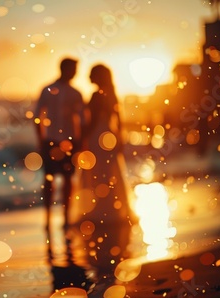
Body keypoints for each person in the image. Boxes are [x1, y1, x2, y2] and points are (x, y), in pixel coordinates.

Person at [77, 64, 133, 280]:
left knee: (98, 175)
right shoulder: (112, 93)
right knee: (109, 174)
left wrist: (82, 139)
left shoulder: (95, 95)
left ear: (98, 77)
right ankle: (112, 209)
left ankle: (101, 211)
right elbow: (119, 120)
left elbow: (90, 122)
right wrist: (120, 138)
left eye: (91, 73)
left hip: (97, 137)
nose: (88, 76)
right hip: (109, 136)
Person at [34, 57, 85, 265]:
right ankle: (49, 219)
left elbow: (81, 118)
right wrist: (42, 140)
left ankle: (64, 219)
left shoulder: (74, 93)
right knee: (51, 180)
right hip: (54, 141)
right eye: (73, 69)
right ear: (65, 69)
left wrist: (79, 141)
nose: (75, 72)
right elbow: (37, 116)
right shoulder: (48, 89)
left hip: (66, 142)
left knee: (65, 180)